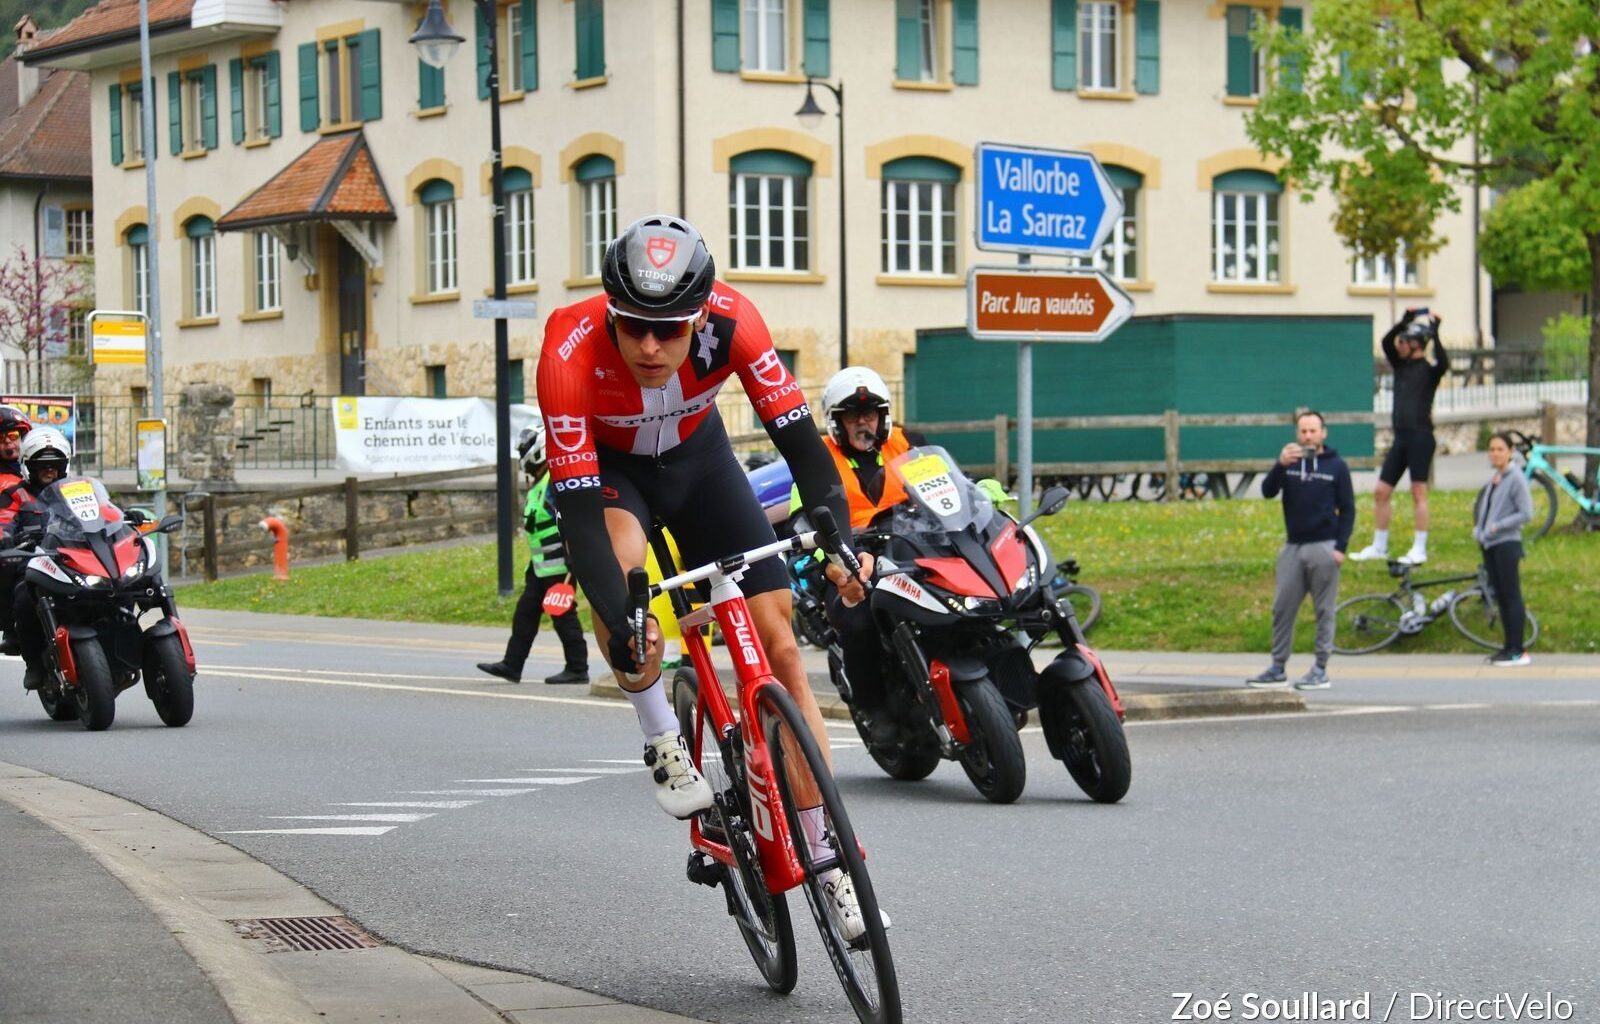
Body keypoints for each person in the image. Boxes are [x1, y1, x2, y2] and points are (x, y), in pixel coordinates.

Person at [536, 215, 875, 934]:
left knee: (780, 645)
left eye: (671, 329)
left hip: (700, 464)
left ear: (701, 315)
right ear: (609, 313)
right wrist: (624, 616)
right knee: (624, 592)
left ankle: (827, 850)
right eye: (633, 327)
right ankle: (659, 728)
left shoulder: (736, 322)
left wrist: (834, 535)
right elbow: (579, 518)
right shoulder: (568, 349)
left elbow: (807, 453)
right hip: (612, 475)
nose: (651, 346)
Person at [805, 366, 923, 745]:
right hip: (848, 557)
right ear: (836, 421)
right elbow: (800, 516)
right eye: (852, 415)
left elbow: (952, 481)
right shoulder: (818, 457)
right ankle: (873, 707)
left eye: (870, 414)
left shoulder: (908, 442)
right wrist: (838, 560)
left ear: (883, 416)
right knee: (858, 618)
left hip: (911, 545)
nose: (862, 422)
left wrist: (985, 495)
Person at [1248, 410, 1356, 690]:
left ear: (1323, 433)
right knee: (1282, 607)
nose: (1308, 436)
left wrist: (1340, 547)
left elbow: (1348, 509)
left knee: (1324, 610)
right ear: (1298, 434)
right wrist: (1280, 465)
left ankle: (1320, 667)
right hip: (1293, 546)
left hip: (1324, 545)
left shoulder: (1337, 467)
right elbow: (1268, 490)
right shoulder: (1290, 464)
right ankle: (1277, 666)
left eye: (1313, 430)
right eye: (1303, 431)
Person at [477, 423, 590, 686]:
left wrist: (574, 556)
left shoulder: (555, 481)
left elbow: (571, 518)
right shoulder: (540, 482)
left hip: (561, 565)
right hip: (541, 567)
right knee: (525, 614)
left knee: (562, 614)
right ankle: (512, 665)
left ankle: (578, 668)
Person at [1351, 309, 1449, 566]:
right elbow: (1385, 342)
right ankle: (1379, 546)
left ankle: (1419, 548)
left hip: (1421, 437)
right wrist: (1404, 321)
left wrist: (1435, 332)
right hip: (1401, 438)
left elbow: (1444, 362)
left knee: (1418, 492)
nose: (1399, 345)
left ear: (1416, 344)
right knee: (1381, 491)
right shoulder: (1401, 366)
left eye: (1404, 341)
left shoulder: (1429, 371)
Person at [4, 428, 72, 691]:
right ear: (29, 467)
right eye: (43, 466)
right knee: (23, 595)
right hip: (34, 563)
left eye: (55, 465)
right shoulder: (17, 495)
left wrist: (124, 520)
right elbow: (4, 521)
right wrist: (4, 536)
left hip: (71, 560)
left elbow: (103, 512)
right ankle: (33, 662)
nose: (50, 471)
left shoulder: (75, 490)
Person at [1474, 432, 1533, 667]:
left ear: (1510, 451)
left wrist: (1497, 527)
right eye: (1492, 449)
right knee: (1501, 596)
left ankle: (1517, 649)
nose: (1495, 453)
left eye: (1500, 449)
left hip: (1506, 543)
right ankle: (1508, 646)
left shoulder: (1515, 478)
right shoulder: (1496, 479)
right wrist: (1480, 531)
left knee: (1511, 596)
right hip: (1490, 544)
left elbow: (1526, 513)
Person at [0, 405, 34, 653]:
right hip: (15, 541)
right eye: (0, 440)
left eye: (12, 437)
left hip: (51, 535)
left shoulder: (42, 463)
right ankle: (13, 629)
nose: (8, 445)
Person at [0, 405, 31, 480]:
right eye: (0, 437)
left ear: (23, 436)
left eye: (13, 435)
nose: (7, 441)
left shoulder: (39, 466)